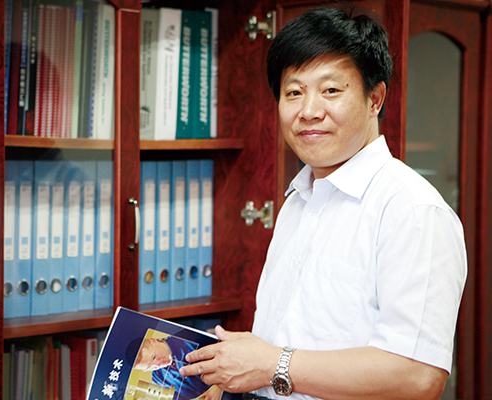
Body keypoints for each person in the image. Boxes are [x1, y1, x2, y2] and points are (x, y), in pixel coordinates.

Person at [179, 6, 467, 400]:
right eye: (294, 93)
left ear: (375, 99)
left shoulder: (412, 210)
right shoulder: (299, 200)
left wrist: (270, 364)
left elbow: (417, 376)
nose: (309, 112)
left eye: (331, 90)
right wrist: (232, 380)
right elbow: (286, 341)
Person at [126, 334, 222, 400]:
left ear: (154, 341)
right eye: (150, 367)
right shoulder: (158, 377)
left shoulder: (187, 338)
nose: (158, 365)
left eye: (154, 357)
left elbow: (226, 356)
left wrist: (219, 387)